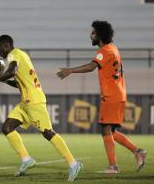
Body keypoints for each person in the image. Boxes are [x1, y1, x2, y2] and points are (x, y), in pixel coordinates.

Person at [0, 35, 83, 181]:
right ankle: (26, 160)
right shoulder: (20, 55)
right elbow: (18, 82)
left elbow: (11, 71)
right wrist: (2, 82)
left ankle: (74, 164)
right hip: (25, 102)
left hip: (34, 101)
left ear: (6, 45)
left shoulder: (14, 55)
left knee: (48, 132)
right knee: (7, 127)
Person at [57, 20, 147, 174]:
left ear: (99, 35)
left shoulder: (104, 51)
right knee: (109, 131)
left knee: (105, 130)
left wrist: (70, 70)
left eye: (93, 33)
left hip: (111, 96)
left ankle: (113, 167)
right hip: (117, 94)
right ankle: (137, 151)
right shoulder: (114, 49)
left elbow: (92, 66)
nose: (90, 35)